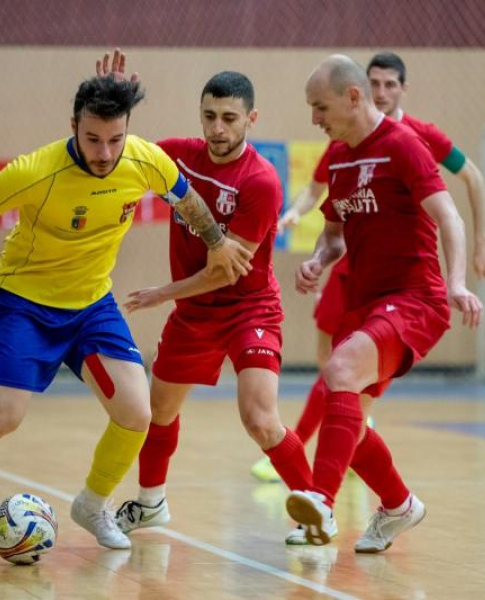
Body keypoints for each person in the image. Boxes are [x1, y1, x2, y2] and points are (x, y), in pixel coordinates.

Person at [0, 50, 253, 551]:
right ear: (72, 126)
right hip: (24, 304)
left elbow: (187, 198)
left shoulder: (145, 160)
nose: (105, 152)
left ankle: (91, 504)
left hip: (90, 308)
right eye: (92, 139)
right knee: (0, 421)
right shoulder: (34, 172)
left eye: (115, 138)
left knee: (136, 412)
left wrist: (217, 243)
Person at [87, 55, 313, 536]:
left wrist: (161, 294)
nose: (217, 127)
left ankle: (317, 505)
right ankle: (150, 504)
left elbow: (226, 272)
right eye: (209, 115)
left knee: (259, 418)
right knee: (157, 411)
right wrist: (113, 99)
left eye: (229, 118)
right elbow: (117, 151)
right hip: (194, 316)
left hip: (248, 307)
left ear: (251, 119)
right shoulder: (179, 157)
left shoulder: (261, 181)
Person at [250, 51, 485, 485]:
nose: (382, 91)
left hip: (408, 290)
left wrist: (475, 251)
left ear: (396, 89)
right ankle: (396, 502)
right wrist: (314, 252)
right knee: (338, 380)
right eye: (376, 82)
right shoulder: (341, 149)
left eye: (390, 84)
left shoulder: (414, 138)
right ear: (363, 87)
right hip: (356, 275)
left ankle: (316, 496)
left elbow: (466, 187)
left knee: (341, 371)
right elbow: (327, 215)